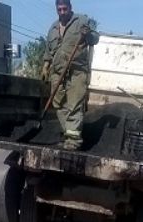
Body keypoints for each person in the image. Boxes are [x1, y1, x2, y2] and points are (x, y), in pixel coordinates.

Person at [41, 0, 99, 151]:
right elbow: (48, 50)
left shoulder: (81, 21)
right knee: (59, 104)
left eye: (64, 9)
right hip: (57, 72)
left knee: (74, 105)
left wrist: (89, 34)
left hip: (77, 72)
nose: (62, 12)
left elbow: (95, 39)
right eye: (59, 9)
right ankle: (67, 133)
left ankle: (73, 141)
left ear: (70, 8)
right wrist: (45, 66)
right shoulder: (53, 28)